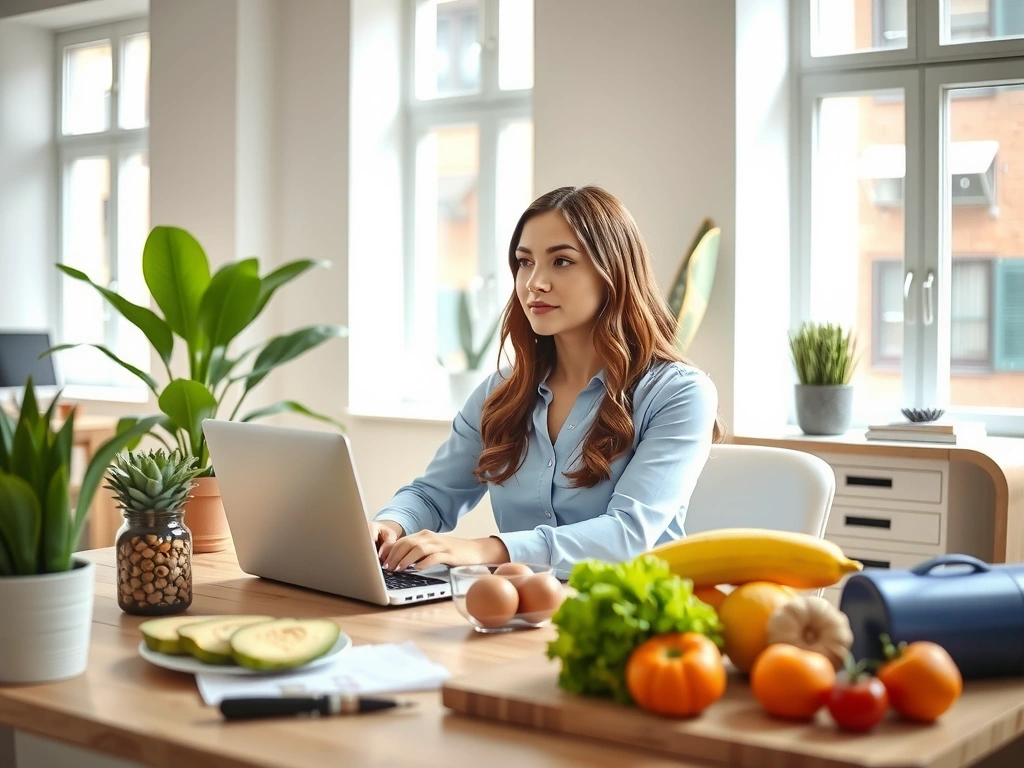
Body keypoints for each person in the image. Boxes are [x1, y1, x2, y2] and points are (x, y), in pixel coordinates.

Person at [373, 185, 724, 578]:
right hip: (521, 612)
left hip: (628, 619)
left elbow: (628, 534)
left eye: (561, 262)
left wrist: (487, 549)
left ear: (613, 272)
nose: (534, 282)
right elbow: (432, 495)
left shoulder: (678, 393)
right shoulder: (500, 393)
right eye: (525, 263)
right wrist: (388, 526)